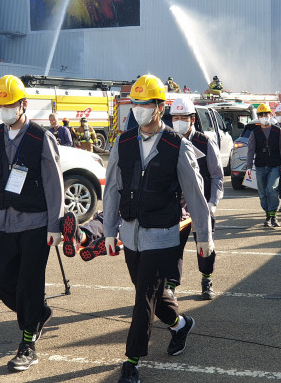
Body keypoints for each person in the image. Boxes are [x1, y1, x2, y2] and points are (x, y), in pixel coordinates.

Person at [103, 75, 212, 383]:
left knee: (142, 301)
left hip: (162, 235)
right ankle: (180, 325)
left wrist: (204, 237)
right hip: (131, 235)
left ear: (159, 107)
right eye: (134, 104)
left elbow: (195, 193)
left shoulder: (177, 146)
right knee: (149, 293)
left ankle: (132, 360)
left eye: (145, 104)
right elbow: (113, 188)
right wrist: (109, 229)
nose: (138, 110)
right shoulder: (122, 143)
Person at [0, 75, 68, 372]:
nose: (4, 110)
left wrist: (55, 225)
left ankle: (28, 344)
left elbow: (54, 185)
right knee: (1, 281)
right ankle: (38, 314)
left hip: (36, 224)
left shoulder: (40, 138)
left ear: (23, 104)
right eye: (0, 105)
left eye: (10, 104)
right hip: (4, 223)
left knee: (29, 285)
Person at [166, 97, 224, 300]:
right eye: (175, 117)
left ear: (192, 119)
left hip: (202, 205)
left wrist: (213, 202)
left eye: (183, 117)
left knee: (205, 245)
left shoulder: (205, 142)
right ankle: (171, 285)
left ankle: (206, 279)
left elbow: (217, 175)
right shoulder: (168, 141)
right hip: (176, 207)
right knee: (173, 247)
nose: (179, 121)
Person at [246, 103, 281, 227]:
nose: (264, 117)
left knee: (271, 189)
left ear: (270, 115)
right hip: (260, 166)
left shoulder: (277, 131)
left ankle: (274, 216)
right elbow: (250, 150)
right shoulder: (255, 132)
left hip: (274, 166)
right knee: (262, 193)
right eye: (261, 115)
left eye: (266, 114)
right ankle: (267, 214)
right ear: (258, 117)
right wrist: (248, 167)